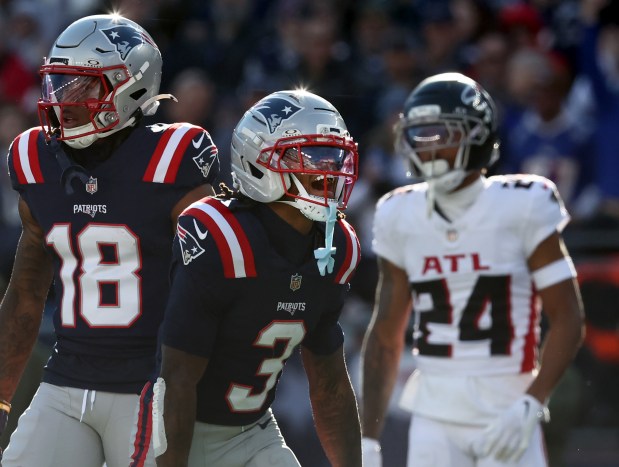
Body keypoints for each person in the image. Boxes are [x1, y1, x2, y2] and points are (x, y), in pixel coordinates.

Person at [0, 14, 220, 467]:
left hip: (151, 386)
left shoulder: (171, 161)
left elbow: (217, 287)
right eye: (59, 85)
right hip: (64, 382)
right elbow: (25, 295)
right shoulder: (36, 160)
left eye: (83, 87)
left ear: (131, 88)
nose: (65, 102)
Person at [360, 72, 585, 467]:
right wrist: (368, 439)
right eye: (419, 135)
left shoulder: (523, 203)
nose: (427, 149)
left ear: (477, 135)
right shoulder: (399, 212)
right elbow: (385, 335)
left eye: (441, 134)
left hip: (508, 407)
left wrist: (534, 400)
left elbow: (568, 317)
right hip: (434, 414)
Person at [154, 89, 363, 467]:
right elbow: (176, 379)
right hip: (175, 427)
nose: (329, 171)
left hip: (253, 431)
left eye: (335, 156)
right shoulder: (221, 236)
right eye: (313, 156)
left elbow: (330, 385)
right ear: (260, 161)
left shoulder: (336, 247)